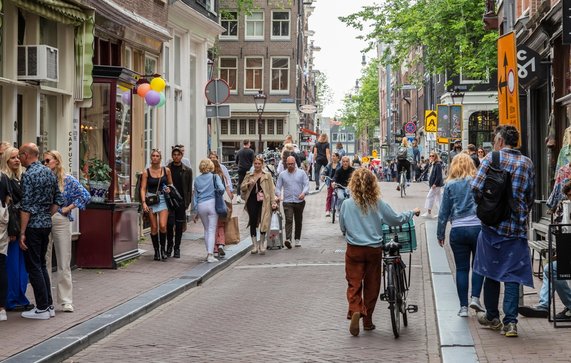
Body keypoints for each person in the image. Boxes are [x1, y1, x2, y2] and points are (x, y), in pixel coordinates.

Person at [339, 167, 420, 336]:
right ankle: (367, 322)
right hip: (373, 249)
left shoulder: (346, 204)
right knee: (372, 284)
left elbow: (342, 227)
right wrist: (411, 213)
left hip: (354, 250)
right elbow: (395, 219)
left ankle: (355, 309)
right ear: (372, 185)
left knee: (353, 284)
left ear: (353, 184)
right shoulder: (377, 203)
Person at [471, 125, 535, 338]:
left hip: (492, 227)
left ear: (499, 140)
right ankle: (511, 323)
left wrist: (488, 208)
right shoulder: (527, 163)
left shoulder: (491, 158)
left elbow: (476, 187)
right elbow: (530, 197)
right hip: (516, 228)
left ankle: (492, 316)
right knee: (512, 275)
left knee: (490, 271)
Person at [18, 143, 64, 319]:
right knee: (42, 264)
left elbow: (26, 206)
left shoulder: (29, 175)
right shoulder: (49, 172)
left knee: (34, 266)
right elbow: (58, 199)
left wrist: (23, 231)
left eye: (21, 154)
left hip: (33, 226)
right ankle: (49, 305)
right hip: (46, 224)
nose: (20, 158)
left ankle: (42, 307)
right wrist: (46, 214)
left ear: (27, 155)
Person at [436, 153, 485, 317]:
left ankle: (463, 307)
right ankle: (475, 298)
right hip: (478, 228)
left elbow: (443, 212)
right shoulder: (477, 182)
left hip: (458, 229)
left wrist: (440, 233)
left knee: (461, 269)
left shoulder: (450, 184)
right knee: (478, 266)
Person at [43, 150, 91, 313]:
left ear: (57, 161)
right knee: (45, 260)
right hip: (43, 220)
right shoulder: (43, 177)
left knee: (64, 260)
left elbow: (85, 195)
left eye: (48, 160)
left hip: (60, 220)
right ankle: (46, 299)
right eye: (44, 161)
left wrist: (68, 208)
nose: (45, 163)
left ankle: (66, 300)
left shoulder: (67, 179)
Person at [518, 180, 571, 320]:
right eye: (568, 196)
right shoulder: (565, 207)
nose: (569, 199)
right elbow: (558, 230)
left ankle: (563, 306)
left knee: (552, 269)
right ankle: (544, 306)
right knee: (551, 269)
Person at [0, 146, 32, 315]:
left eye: (18, 157)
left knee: (21, 265)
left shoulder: (23, 176)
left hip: (23, 227)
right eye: (12, 157)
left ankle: (20, 296)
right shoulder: (4, 178)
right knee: (11, 264)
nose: (17, 160)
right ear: (6, 160)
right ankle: (11, 299)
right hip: (12, 229)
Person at [140, 149, 173, 261]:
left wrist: (169, 188)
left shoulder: (166, 170)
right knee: (154, 227)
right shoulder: (146, 172)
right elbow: (143, 188)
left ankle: (163, 250)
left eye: (157, 156)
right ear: (151, 158)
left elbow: (170, 183)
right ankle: (157, 251)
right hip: (151, 200)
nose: (155, 157)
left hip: (163, 199)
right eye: (153, 156)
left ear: (160, 158)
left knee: (163, 225)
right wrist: (144, 202)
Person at [240, 155, 276, 255]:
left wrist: (273, 202)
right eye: (255, 163)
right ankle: (255, 245)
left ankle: (262, 244)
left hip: (264, 201)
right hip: (252, 201)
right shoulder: (249, 174)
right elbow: (242, 187)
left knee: (264, 222)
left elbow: (271, 189)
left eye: (259, 164)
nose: (257, 165)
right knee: (253, 221)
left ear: (262, 164)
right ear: (253, 164)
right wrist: (248, 184)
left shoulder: (267, 175)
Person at [192, 159, 225, 263]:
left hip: (201, 205)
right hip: (212, 203)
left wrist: (195, 211)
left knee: (206, 229)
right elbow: (222, 189)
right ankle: (210, 255)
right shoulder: (215, 177)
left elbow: (195, 196)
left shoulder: (197, 179)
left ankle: (208, 253)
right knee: (212, 230)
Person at [275, 156, 309, 249]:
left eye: (292, 164)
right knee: (288, 220)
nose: (290, 165)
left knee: (298, 220)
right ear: (286, 164)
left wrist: (303, 193)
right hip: (287, 201)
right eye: (288, 164)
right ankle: (288, 239)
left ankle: (297, 239)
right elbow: (278, 187)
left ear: (295, 163)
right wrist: (278, 195)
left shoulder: (301, 173)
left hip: (299, 201)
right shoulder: (282, 174)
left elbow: (306, 184)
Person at [166, 146, 193, 258]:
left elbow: (188, 188)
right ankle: (169, 247)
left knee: (179, 225)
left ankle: (177, 248)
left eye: (178, 154)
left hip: (181, 201)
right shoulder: (167, 169)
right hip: (169, 201)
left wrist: (187, 203)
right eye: (174, 155)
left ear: (182, 156)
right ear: (172, 156)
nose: (176, 156)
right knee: (169, 224)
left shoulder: (187, 170)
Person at [212, 159, 232, 258]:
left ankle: (215, 248)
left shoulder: (209, 177)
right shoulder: (223, 177)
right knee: (221, 225)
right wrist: (230, 201)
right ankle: (221, 244)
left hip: (212, 203)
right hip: (222, 203)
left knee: (213, 226)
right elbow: (227, 190)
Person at [421, 152, 444, 218]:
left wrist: (435, 184)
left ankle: (428, 212)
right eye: (430, 156)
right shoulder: (433, 164)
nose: (431, 157)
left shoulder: (438, 164)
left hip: (436, 185)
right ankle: (440, 213)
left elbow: (439, 176)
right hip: (435, 184)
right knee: (438, 199)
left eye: (432, 156)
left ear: (436, 157)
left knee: (429, 196)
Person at [323, 153, 340, 217]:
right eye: (332, 156)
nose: (332, 157)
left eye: (334, 156)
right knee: (329, 196)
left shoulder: (340, 165)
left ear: (338, 158)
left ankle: (338, 209)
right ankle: (327, 210)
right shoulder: (329, 165)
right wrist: (323, 175)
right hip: (330, 181)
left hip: (338, 182)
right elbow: (325, 170)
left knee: (339, 196)